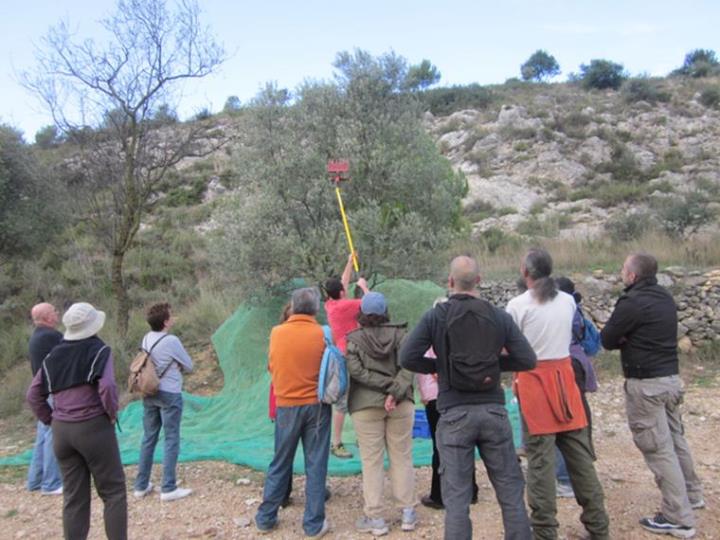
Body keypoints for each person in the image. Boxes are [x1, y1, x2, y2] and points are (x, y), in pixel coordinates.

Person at [401, 256, 536, 540]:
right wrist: (492, 365)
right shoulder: (499, 316)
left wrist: (440, 368)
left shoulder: (436, 316)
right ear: (479, 280)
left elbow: (407, 357)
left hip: (454, 415)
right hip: (493, 412)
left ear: (450, 282)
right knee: (511, 493)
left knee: (457, 501)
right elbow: (527, 359)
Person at [506, 248, 609, 540]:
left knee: (539, 461)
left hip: (534, 381)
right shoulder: (567, 301)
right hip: (565, 380)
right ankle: (599, 526)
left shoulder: (517, 305)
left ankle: (545, 532)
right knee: (579, 457)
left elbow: (509, 346)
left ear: (526, 272)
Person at [601, 253, 703, 538]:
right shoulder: (665, 298)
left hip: (646, 384)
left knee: (659, 449)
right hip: (671, 378)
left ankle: (678, 516)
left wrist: (626, 338)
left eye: (623, 269)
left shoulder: (632, 302)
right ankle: (692, 494)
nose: (621, 273)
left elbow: (608, 338)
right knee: (675, 439)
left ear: (633, 276)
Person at [26, 302, 127, 540]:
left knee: (74, 498)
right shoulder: (99, 350)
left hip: (62, 431)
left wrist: (51, 420)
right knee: (113, 492)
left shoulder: (53, 355)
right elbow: (108, 387)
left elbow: (33, 394)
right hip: (93, 426)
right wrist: (111, 413)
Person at [255, 287, 331, 538]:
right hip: (318, 407)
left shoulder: (276, 333)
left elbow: (271, 366)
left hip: (286, 406)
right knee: (316, 463)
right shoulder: (322, 334)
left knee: (280, 462)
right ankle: (313, 524)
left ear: (293, 306)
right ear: (315, 309)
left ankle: (266, 518)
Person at [345, 292, 416, 535]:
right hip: (401, 403)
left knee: (371, 461)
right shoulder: (402, 335)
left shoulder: (354, 340)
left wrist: (386, 388)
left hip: (365, 407)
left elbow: (356, 372)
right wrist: (394, 391)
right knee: (402, 456)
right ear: (386, 311)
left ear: (362, 314)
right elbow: (409, 367)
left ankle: (376, 519)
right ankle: (408, 512)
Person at [416, 298, 479, 511]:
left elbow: (426, 366)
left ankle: (439, 494)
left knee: (440, 446)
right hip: (461, 395)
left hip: (439, 397)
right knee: (464, 442)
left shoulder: (431, 336)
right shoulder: (463, 336)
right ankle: (470, 490)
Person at [133, 302, 194, 502]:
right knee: (171, 438)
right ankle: (168, 487)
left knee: (149, 437)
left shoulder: (146, 338)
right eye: (171, 315)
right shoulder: (172, 340)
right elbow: (190, 365)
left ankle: (140, 485)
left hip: (149, 392)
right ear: (166, 321)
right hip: (169, 392)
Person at [553, 277, 599, 499]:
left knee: (564, 420)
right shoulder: (576, 310)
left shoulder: (559, 311)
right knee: (578, 418)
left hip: (564, 366)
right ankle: (580, 472)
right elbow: (594, 343)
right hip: (579, 363)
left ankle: (566, 479)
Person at [324, 252, 370, 459]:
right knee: (345, 401)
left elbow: (342, 282)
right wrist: (363, 286)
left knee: (354, 397)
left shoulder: (331, 304)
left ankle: (356, 438)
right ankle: (336, 443)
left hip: (345, 355)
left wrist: (350, 262)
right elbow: (371, 303)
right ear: (342, 293)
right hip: (348, 356)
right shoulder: (346, 306)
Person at [26, 302, 63, 495]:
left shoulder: (36, 337)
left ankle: (35, 479)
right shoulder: (51, 336)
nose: (57, 314)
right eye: (54, 311)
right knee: (52, 435)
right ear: (47, 317)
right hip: (52, 392)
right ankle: (51, 482)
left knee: (42, 436)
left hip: (41, 392)